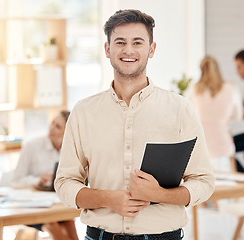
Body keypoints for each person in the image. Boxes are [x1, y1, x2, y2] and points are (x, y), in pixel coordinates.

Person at [55, 9, 214, 240]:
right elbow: (65, 183)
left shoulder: (180, 109)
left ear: (151, 49)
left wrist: (160, 194)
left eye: (137, 42)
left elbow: (203, 182)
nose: (128, 50)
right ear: (108, 49)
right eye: (120, 42)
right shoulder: (83, 111)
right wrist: (107, 199)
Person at [11, 110, 78, 240]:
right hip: (31, 207)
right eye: (52, 123)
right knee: (52, 223)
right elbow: (16, 180)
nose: (51, 128)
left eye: (57, 126)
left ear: (67, 132)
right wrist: (37, 181)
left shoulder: (70, 150)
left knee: (69, 221)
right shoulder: (32, 146)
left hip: (55, 204)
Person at [187, 56, 243, 171]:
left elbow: (186, 117)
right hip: (223, 146)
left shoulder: (193, 90)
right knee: (225, 184)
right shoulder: (231, 89)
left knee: (203, 186)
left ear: (201, 69)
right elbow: (237, 116)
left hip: (200, 147)